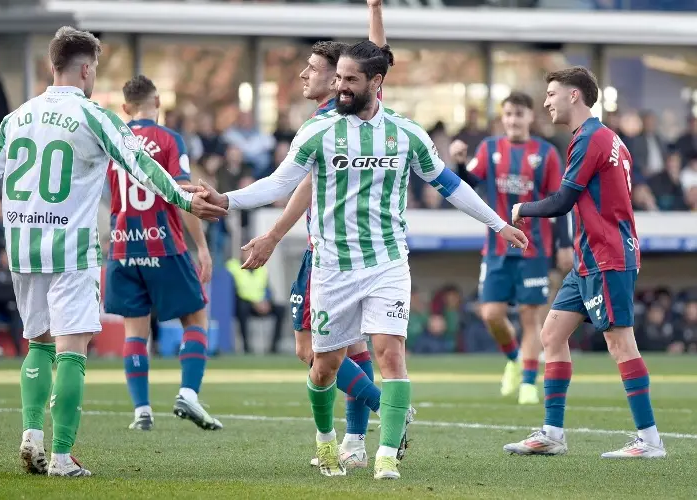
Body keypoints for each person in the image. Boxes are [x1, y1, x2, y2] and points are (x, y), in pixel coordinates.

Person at [193, 40, 528, 480]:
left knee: (390, 354)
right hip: (332, 267)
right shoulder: (318, 131)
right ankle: (326, 441)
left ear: (376, 81)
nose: (341, 87)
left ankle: (386, 456)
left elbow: (449, 184)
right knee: (323, 365)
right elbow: (278, 185)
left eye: (350, 80)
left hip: (388, 262)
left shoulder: (406, 133)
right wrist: (227, 200)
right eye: (338, 79)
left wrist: (498, 223)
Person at [0, 27, 226, 478]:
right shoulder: (94, 115)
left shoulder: (18, 117)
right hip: (71, 249)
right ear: (87, 69)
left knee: (38, 344)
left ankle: (32, 436)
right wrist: (185, 200)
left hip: (25, 248)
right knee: (71, 347)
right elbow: (142, 166)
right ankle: (63, 457)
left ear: (53, 64)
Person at [239, 0, 401, 469]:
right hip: (336, 251)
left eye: (312, 70)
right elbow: (379, 56)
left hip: (333, 252)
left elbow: (301, 190)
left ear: (336, 79)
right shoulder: (347, 116)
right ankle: (357, 439)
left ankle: (381, 413)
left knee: (313, 350)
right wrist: (375, 11)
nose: (303, 77)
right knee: (341, 349)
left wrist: (270, 236)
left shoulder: (332, 123)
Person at [504, 66, 666, 458]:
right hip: (587, 259)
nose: (546, 102)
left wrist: (521, 207)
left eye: (552, 94)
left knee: (619, 342)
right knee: (551, 335)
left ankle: (650, 440)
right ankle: (552, 434)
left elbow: (563, 200)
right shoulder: (609, 139)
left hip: (607, 256)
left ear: (574, 95)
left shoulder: (591, 139)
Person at [104, 75, 221, 432]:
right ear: (157, 102)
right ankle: (188, 392)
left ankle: (141, 410)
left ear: (125, 107)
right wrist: (201, 247)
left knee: (135, 333)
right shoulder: (169, 139)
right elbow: (183, 194)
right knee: (196, 319)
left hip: (123, 246)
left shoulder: (112, 141)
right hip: (164, 243)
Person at [450, 91, 572, 405]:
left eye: (519, 114)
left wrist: (564, 244)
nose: (513, 120)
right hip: (496, 247)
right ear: (502, 118)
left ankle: (530, 382)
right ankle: (514, 359)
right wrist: (460, 163)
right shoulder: (489, 148)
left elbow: (560, 203)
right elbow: (469, 184)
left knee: (531, 317)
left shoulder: (546, 153)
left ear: (531, 117)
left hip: (535, 248)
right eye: (508, 115)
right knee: (491, 313)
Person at [226, 245, 285, 353]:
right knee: (242, 308)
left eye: (251, 252)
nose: (249, 255)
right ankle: (246, 347)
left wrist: (267, 301)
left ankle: (274, 347)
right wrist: (254, 303)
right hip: (244, 303)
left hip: (261, 303)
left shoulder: (261, 268)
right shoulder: (233, 266)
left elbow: (268, 289)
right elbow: (231, 290)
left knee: (281, 309)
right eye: (246, 252)